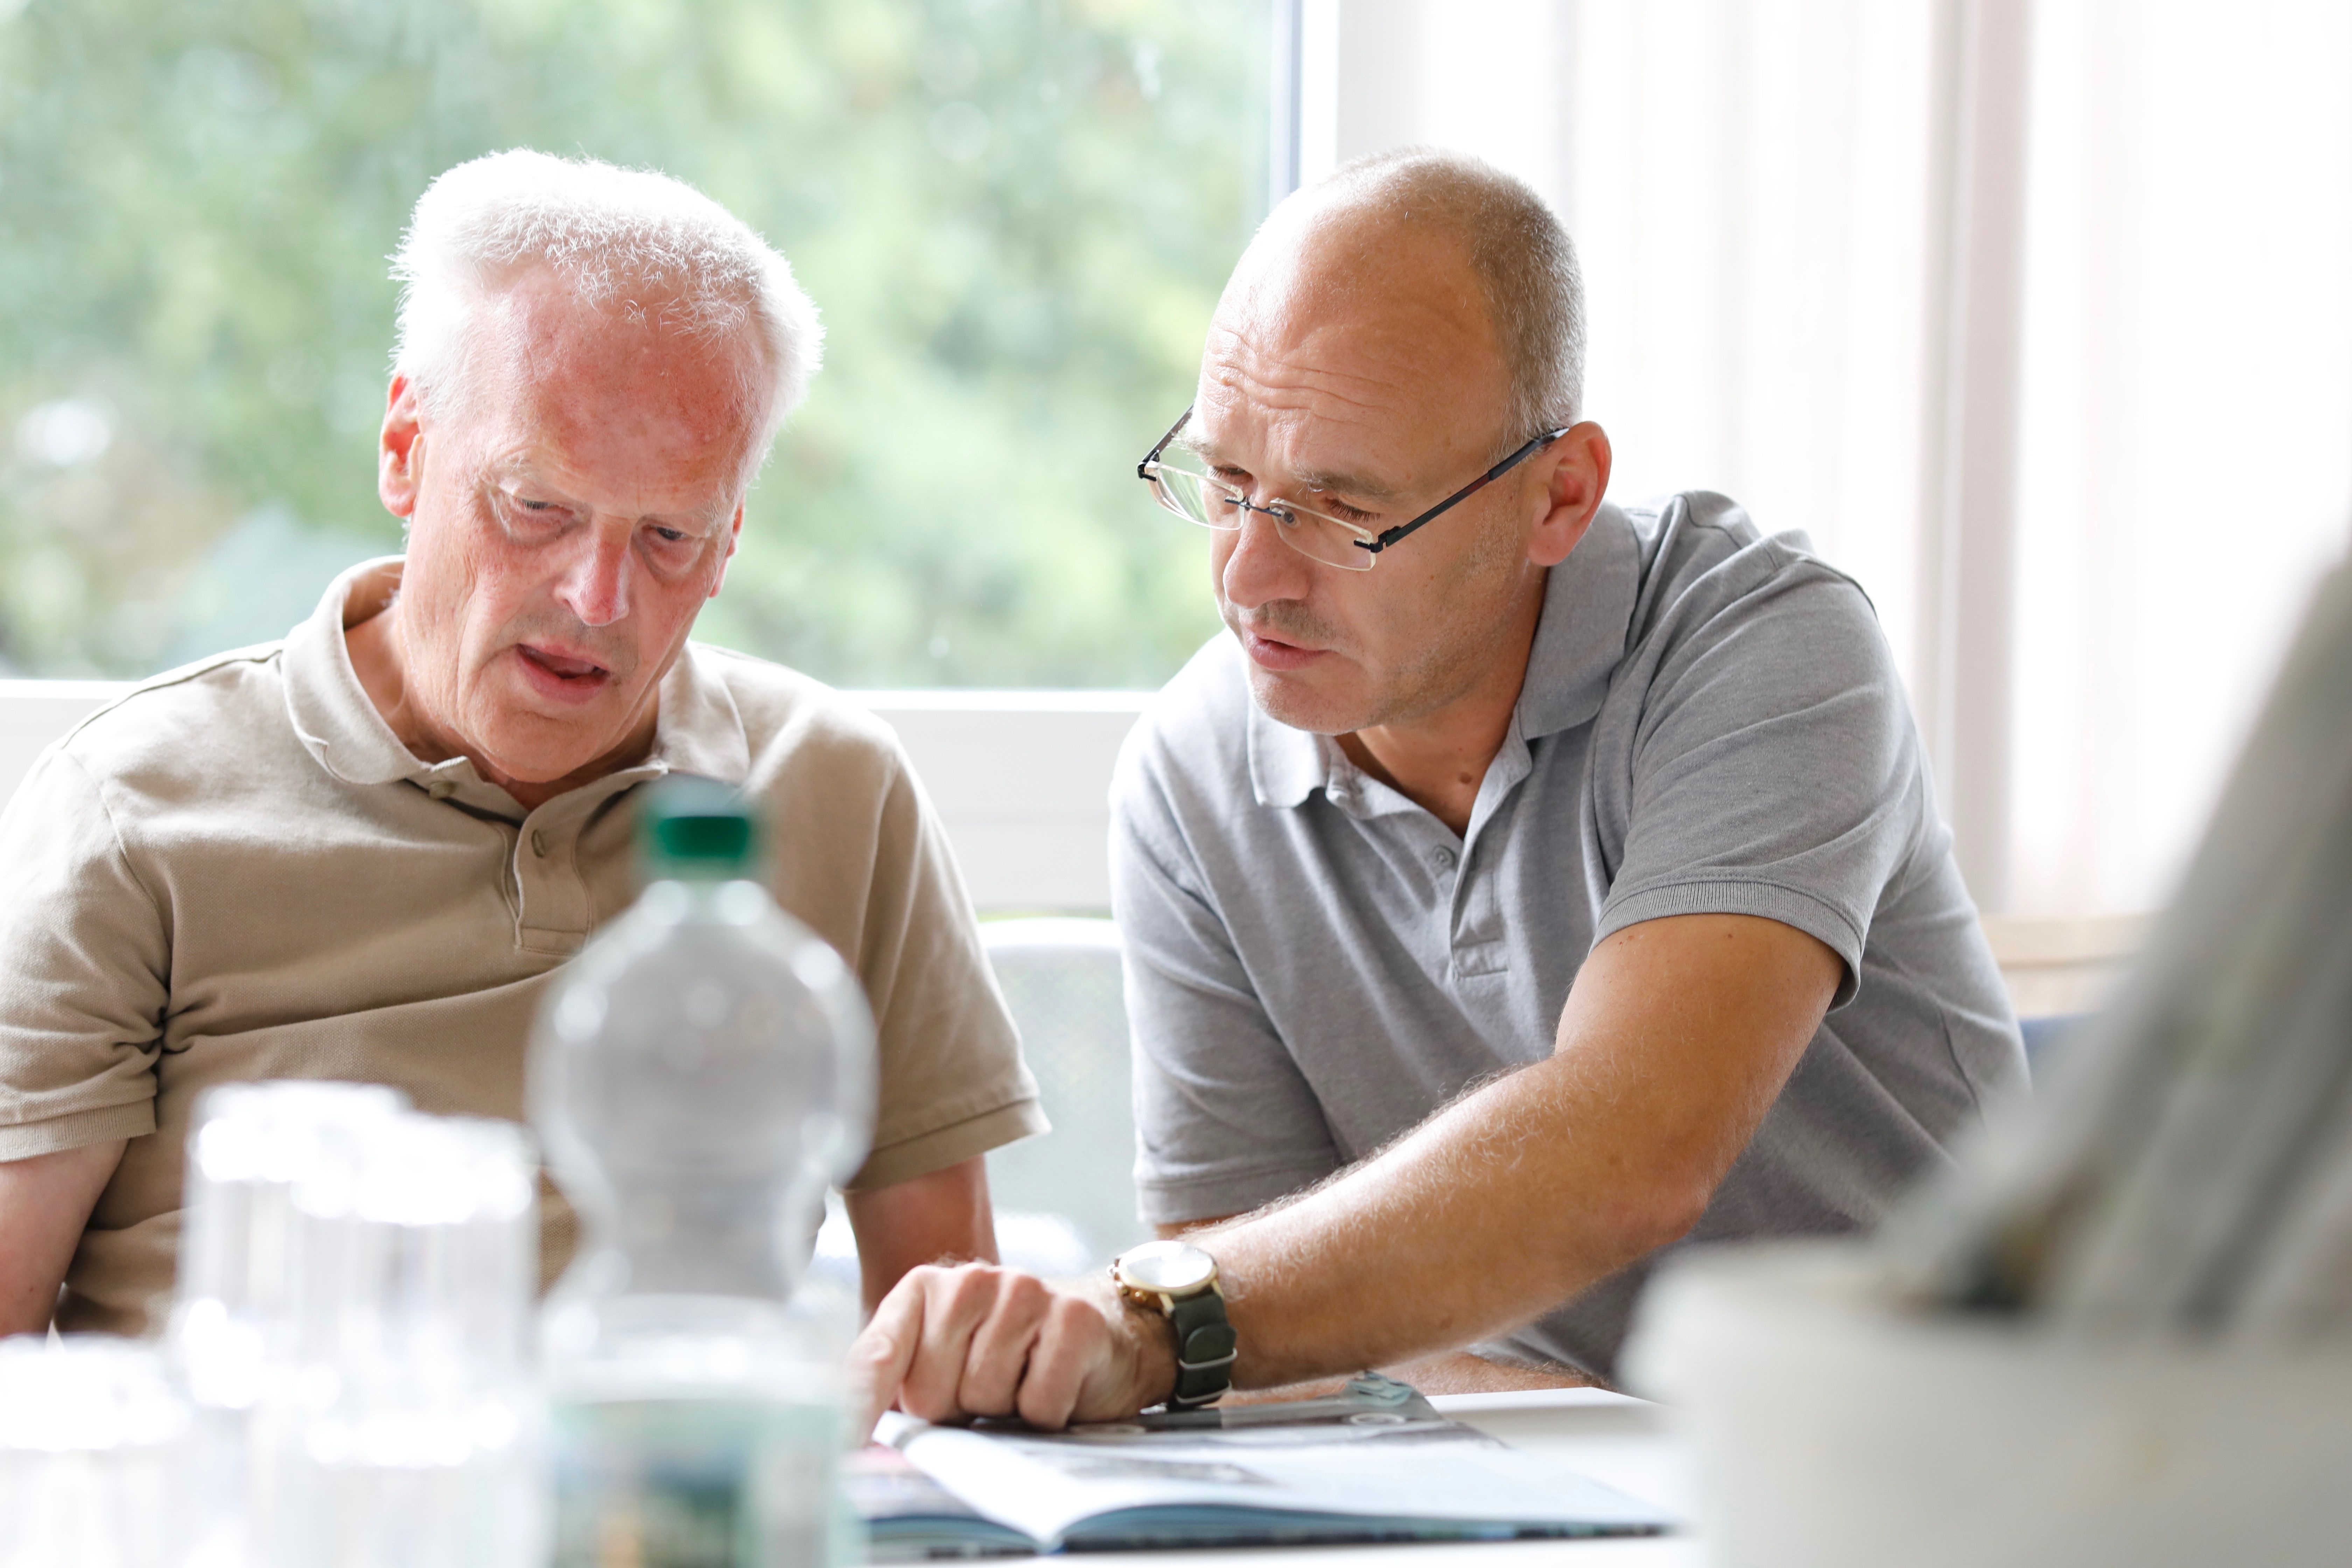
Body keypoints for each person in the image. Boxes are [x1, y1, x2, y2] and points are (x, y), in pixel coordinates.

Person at [847, 147, 2022, 1431]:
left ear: (1559, 497)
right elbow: (1250, 1315)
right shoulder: (1191, 776)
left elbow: (1633, 1151)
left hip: (1948, 1458)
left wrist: (1147, 1327)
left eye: (1340, 511)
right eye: (1228, 485)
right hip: (1536, 1468)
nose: (1247, 579)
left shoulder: (1764, 647)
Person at [0, 150, 1045, 1338]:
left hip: (683, 1456)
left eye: (669, 535)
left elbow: (943, 1344)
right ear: (406, 448)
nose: (599, 599)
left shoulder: (833, 788)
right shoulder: (130, 805)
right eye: (537, 506)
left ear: (732, 540)